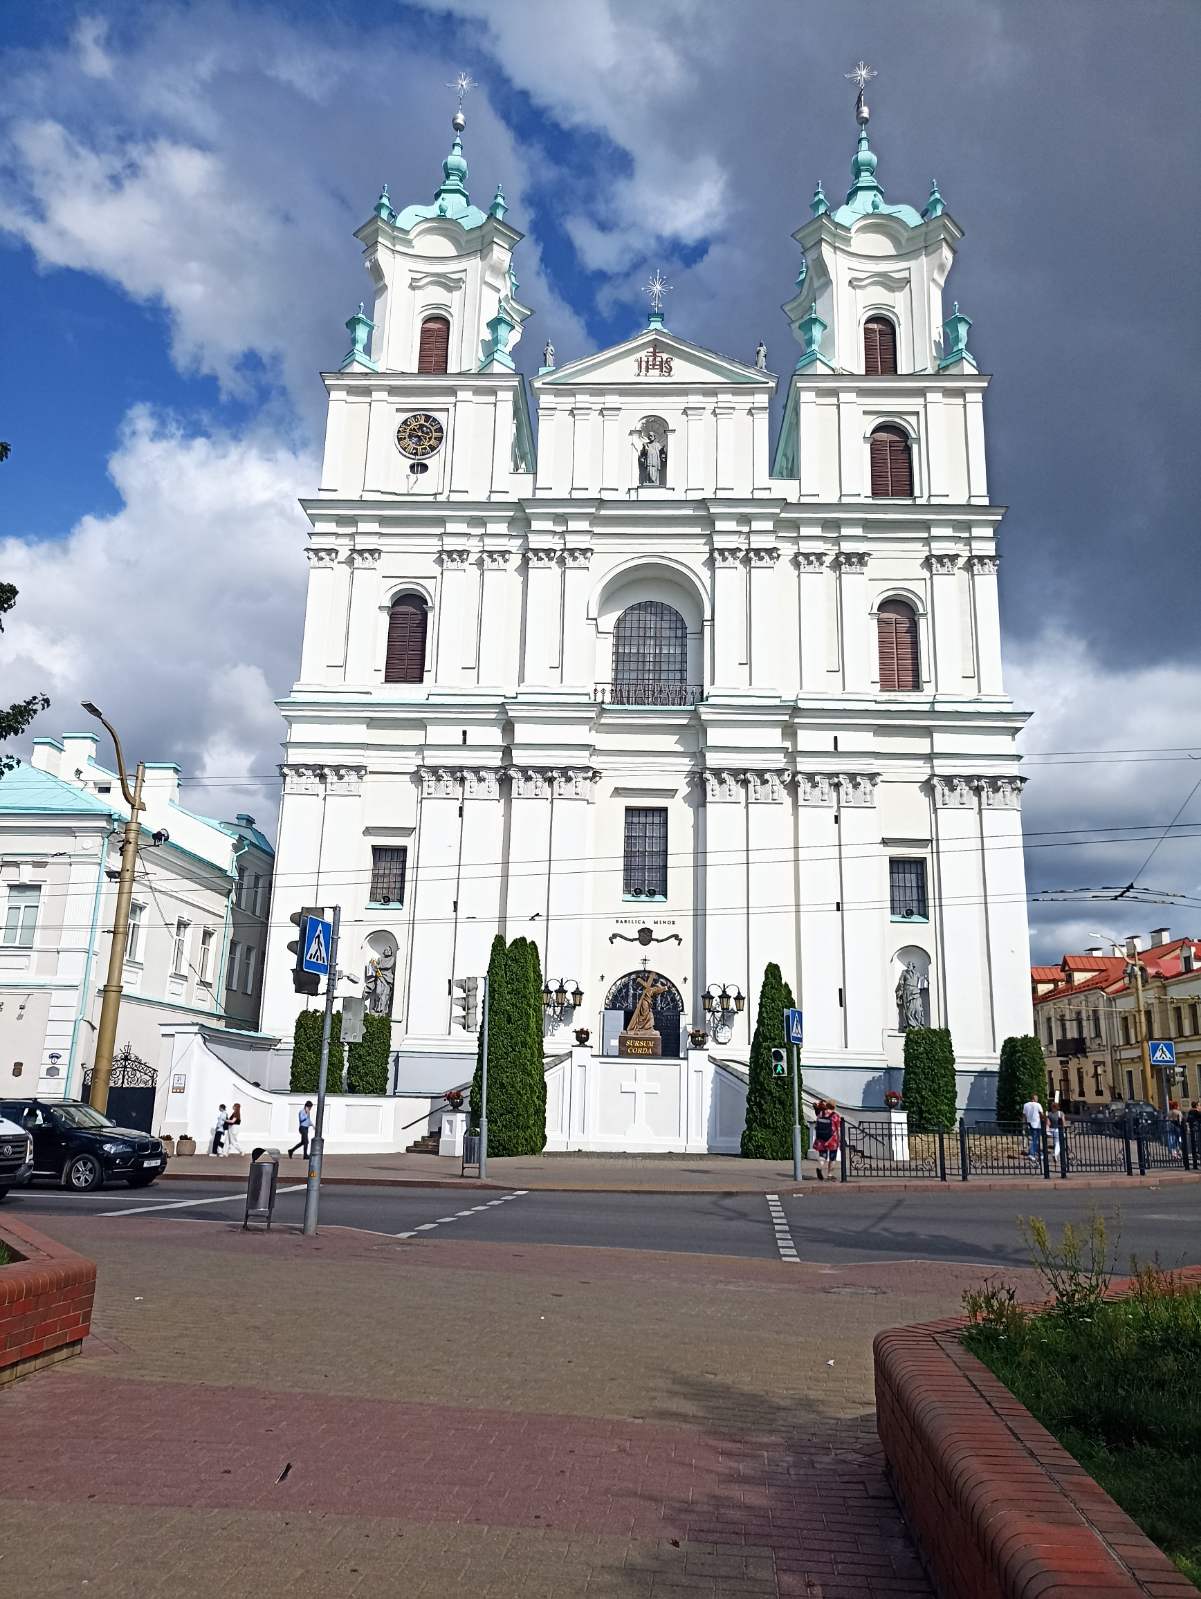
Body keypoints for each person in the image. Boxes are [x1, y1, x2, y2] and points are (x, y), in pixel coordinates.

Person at [812, 1099, 841, 1181]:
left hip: (821, 1139)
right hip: (832, 1139)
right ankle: (829, 1175)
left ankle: (819, 1167)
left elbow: (817, 1124)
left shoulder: (821, 1114)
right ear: (834, 1107)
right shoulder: (835, 1116)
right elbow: (838, 1128)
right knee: (832, 1158)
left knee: (822, 1156)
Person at [1022, 1092, 1044, 1164]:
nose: (1037, 1099)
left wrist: (1024, 1124)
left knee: (1034, 1139)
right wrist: (1043, 1121)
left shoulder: (1025, 1105)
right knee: (1035, 1139)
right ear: (1034, 1099)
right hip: (1037, 1124)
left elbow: (1024, 1115)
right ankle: (1031, 1154)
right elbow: (1041, 1114)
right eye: (1037, 1098)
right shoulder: (1038, 1105)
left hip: (1029, 1124)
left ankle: (1038, 1153)